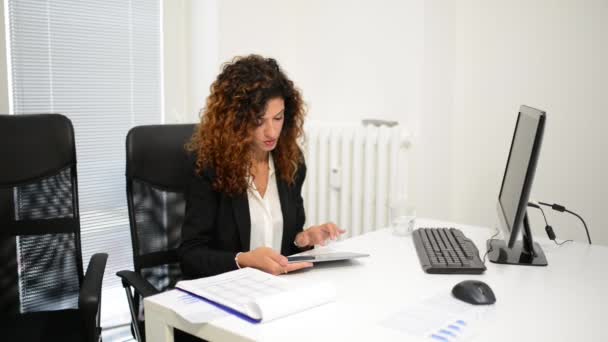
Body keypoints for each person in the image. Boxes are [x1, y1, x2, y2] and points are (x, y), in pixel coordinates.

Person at [179, 54, 345, 279]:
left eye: (278, 118)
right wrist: (242, 260)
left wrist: (304, 240)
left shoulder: (291, 163)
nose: (272, 132)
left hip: (276, 288)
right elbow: (191, 256)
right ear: (235, 120)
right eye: (259, 121)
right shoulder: (209, 167)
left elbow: (283, 246)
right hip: (229, 290)